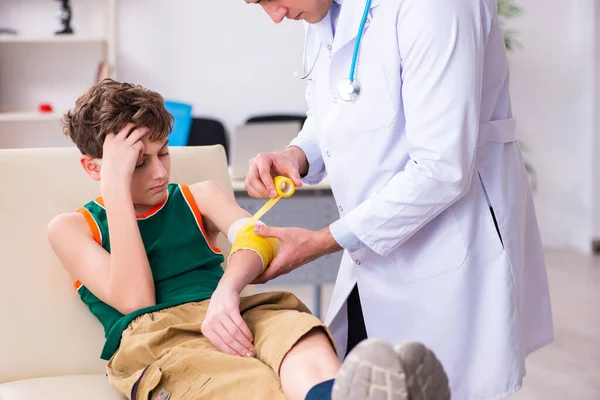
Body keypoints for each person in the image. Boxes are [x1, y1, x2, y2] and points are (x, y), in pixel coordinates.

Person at [47, 79, 451, 400]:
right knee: (248, 383)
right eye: (138, 163)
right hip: (160, 341)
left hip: (231, 310)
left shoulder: (198, 196)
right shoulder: (73, 228)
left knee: (297, 334)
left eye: (163, 153)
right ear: (93, 167)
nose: (159, 172)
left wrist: (227, 291)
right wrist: (114, 186)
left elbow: (257, 240)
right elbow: (137, 300)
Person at [242, 0, 554, 399]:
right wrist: (298, 155)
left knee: (437, 385)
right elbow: (337, 104)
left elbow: (441, 168)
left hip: (449, 258)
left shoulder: (436, 7)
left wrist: (320, 242)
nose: (275, 15)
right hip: (368, 257)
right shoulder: (325, 11)